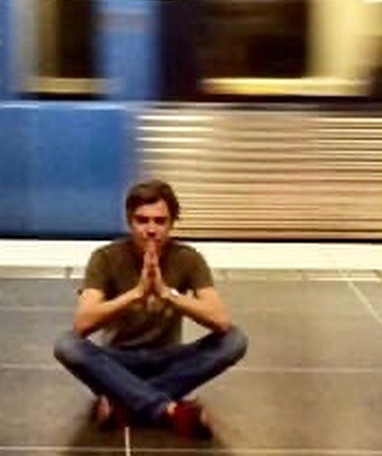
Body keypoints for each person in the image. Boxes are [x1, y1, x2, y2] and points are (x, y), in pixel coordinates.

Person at [54, 180, 247, 439]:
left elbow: (221, 321)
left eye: (160, 221)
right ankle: (168, 410)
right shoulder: (105, 257)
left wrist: (167, 293)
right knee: (67, 345)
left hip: (168, 360)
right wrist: (136, 293)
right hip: (117, 362)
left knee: (235, 340)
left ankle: (124, 402)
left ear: (171, 223)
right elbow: (82, 324)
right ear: (129, 222)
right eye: (142, 220)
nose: (151, 229)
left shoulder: (188, 258)